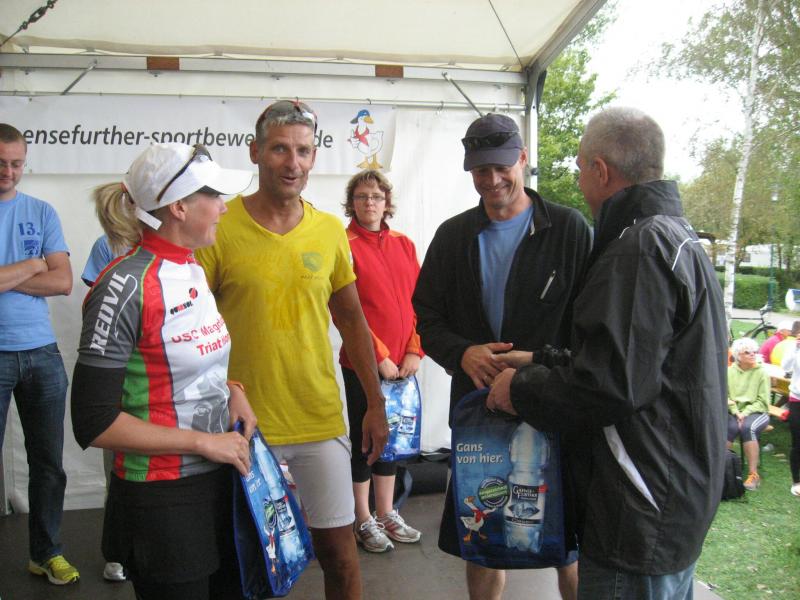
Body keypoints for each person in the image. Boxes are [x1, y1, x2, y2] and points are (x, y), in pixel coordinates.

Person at [487, 107, 728, 600]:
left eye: (580, 168)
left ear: (600, 170)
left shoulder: (638, 248)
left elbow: (610, 387)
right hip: (670, 495)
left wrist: (520, 388)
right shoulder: (676, 236)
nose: (579, 182)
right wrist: (540, 361)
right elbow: (641, 363)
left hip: (638, 509)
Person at [195, 100, 388, 600]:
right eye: (280, 149)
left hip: (318, 417)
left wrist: (376, 403)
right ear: (255, 151)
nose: (293, 162)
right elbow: (192, 327)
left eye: (303, 151)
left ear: (314, 157)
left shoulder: (328, 231)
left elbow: (352, 320)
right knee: (245, 565)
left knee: (340, 558)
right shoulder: (220, 226)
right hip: (242, 426)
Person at [412, 113, 591, 600]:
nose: (491, 180)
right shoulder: (453, 236)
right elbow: (426, 316)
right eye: (480, 170)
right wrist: (462, 353)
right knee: (483, 535)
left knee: (568, 542)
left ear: (523, 159)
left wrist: (540, 365)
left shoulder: (570, 230)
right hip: (480, 411)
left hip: (553, 406)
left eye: (501, 167)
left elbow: (591, 329)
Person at [70, 142, 257, 599]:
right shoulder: (124, 285)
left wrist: (233, 389)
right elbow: (93, 421)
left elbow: (185, 361)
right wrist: (202, 441)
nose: (224, 208)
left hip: (217, 476)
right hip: (161, 494)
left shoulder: (189, 266)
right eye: (213, 195)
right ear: (178, 207)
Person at [0, 123, 78, 585]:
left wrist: (9, 275)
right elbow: (46, 272)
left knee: (49, 464)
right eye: (0, 163)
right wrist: (33, 264)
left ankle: (46, 554)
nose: (8, 172)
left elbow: (62, 281)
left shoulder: (41, 211)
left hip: (41, 352)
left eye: (16, 164)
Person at [340, 169, 423, 553]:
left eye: (376, 196)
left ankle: (386, 512)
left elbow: (420, 302)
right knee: (365, 440)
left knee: (391, 441)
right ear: (351, 203)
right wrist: (380, 357)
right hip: (364, 364)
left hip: (403, 366)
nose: (369, 203)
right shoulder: (343, 245)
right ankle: (362, 518)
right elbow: (346, 311)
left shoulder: (404, 244)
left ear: (387, 201)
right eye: (361, 197)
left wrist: (414, 349)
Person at [80, 232, 134, 583]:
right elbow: (97, 305)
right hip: (119, 371)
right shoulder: (107, 244)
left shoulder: (187, 243)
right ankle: (118, 552)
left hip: (165, 371)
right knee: (118, 469)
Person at [727, 337, 771, 491]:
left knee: (748, 428)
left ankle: (753, 475)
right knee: (729, 428)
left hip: (757, 411)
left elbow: (763, 401)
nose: (752, 354)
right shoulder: (729, 372)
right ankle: (723, 470)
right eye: (747, 352)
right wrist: (736, 412)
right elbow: (726, 396)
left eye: (754, 351)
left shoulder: (762, 372)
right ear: (738, 356)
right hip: (734, 411)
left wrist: (744, 413)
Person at [780, 338, 800, 497]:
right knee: (797, 442)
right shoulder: (796, 348)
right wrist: (796, 348)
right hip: (796, 399)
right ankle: (796, 481)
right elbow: (785, 367)